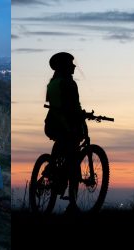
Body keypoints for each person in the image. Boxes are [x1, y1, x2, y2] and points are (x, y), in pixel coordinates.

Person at [44, 52, 85, 214]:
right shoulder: (68, 83)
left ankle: (52, 170)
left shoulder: (52, 83)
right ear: (63, 66)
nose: (74, 66)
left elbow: (57, 105)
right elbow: (73, 106)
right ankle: (72, 204)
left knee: (64, 153)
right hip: (65, 125)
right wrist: (79, 118)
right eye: (71, 63)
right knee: (74, 164)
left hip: (53, 124)